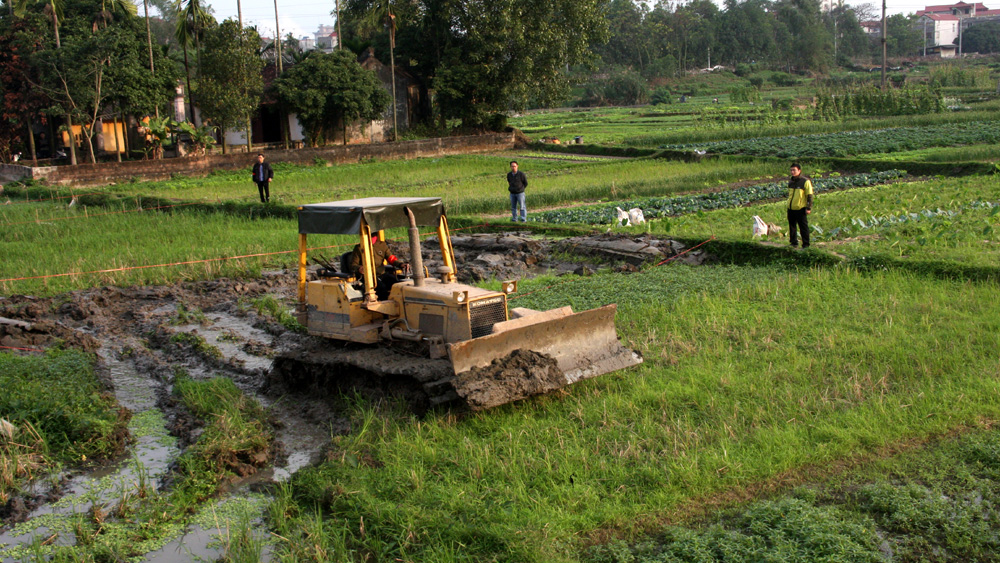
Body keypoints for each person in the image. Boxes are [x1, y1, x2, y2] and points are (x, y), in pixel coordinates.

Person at [350, 235, 404, 300]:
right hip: (368, 277)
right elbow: (353, 265)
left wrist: (401, 264)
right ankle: (383, 305)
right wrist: (359, 268)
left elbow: (391, 258)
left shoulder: (382, 245)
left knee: (398, 285)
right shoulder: (359, 248)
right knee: (381, 287)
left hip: (381, 274)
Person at [787, 163, 814, 248]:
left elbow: (809, 195)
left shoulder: (805, 181)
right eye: (791, 170)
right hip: (791, 208)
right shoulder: (791, 182)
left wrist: (808, 207)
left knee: (803, 227)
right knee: (792, 226)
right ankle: (793, 243)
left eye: (794, 170)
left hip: (800, 208)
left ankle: (806, 245)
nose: (792, 172)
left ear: (799, 171)